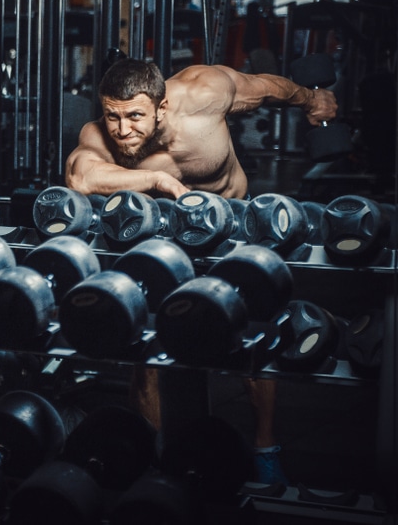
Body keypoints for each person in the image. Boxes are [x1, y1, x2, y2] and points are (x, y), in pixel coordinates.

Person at [65, 58, 339, 486]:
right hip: (162, 237)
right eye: (113, 116)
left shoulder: (204, 93)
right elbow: (81, 176)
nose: (122, 130)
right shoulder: (99, 133)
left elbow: (266, 87)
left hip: (232, 227)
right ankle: (152, 459)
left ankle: (266, 447)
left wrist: (310, 98)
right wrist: (156, 179)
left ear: (162, 106)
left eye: (135, 116)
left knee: (250, 336)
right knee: (146, 347)